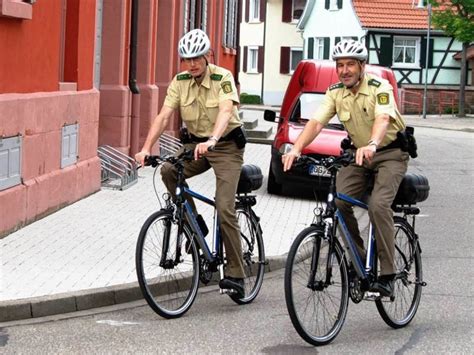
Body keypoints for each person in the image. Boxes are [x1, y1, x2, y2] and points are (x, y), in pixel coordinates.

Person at [282, 39, 409, 297]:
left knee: (378, 205)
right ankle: (360, 261)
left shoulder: (379, 87)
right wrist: (296, 149)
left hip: (390, 154)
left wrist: (372, 143)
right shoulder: (335, 92)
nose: (345, 70)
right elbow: (317, 122)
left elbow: (383, 118)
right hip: (357, 156)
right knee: (339, 201)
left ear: (362, 66)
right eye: (340, 65)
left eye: (351, 64)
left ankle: (387, 273)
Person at [135, 29, 247, 298]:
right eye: (187, 59)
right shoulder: (180, 81)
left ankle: (236, 273)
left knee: (224, 207)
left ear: (207, 55)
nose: (192, 64)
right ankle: (195, 223)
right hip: (194, 146)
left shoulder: (223, 77)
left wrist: (213, 138)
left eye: (197, 58)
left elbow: (225, 110)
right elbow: (163, 116)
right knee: (168, 170)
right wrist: (145, 148)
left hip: (226, 146)